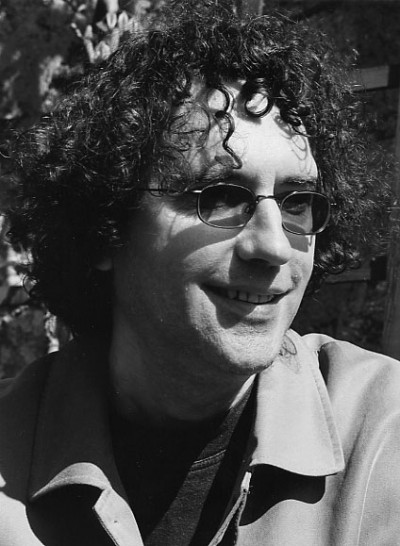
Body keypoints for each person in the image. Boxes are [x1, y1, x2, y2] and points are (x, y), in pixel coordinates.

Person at [1, 1, 400, 544]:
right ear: (104, 228)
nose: (273, 246)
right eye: (219, 197)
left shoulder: (383, 434)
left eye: (299, 201)